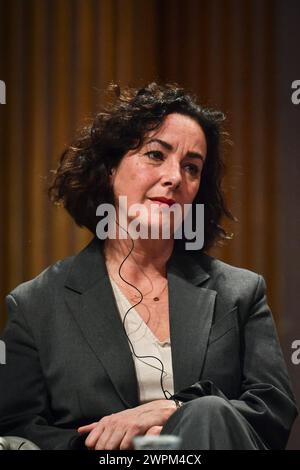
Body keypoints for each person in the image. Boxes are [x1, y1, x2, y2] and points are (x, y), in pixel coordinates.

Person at [0, 83, 297, 450]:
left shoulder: (240, 292)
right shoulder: (36, 305)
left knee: (207, 413)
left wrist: (171, 411)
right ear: (110, 170)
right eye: (156, 155)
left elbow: (273, 410)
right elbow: (17, 428)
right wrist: (129, 446)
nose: (175, 177)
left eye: (191, 167)